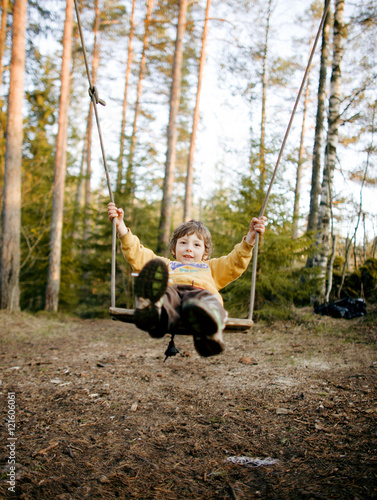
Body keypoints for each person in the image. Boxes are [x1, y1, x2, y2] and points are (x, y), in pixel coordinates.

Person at [108, 202, 266, 357]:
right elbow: (138, 255)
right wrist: (121, 228)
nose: (189, 248)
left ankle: (209, 333)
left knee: (207, 301)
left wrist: (250, 240)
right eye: (183, 243)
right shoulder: (167, 265)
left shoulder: (211, 267)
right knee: (165, 294)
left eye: (196, 245)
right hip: (173, 291)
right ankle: (156, 314)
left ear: (205, 253)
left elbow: (234, 263)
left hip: (201, 292)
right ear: (174, 249)